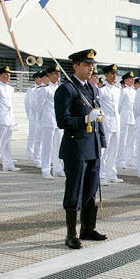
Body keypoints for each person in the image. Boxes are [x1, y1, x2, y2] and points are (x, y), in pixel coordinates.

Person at [54, 49, 106, 249]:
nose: (90, 68)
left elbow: (99, 118)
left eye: (91, 64)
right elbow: (62, 121)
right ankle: (70, 234)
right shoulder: (66, 89)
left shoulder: (92, 89)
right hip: (76, 148)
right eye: (86, 64)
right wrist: (85, 119)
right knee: (74, 191)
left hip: (92, 147)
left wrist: (101, 139)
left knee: (91, 190)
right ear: (75, 66)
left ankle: (88, 228)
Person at [0, 66, 18, 173]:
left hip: (9, 119)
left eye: (9, 74)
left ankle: (8, 164)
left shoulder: (10, 89)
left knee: (7, 143)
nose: (8, 76)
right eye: (5, 74)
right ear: (0, 76)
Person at [37, 65, 64, 179]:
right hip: (48, 120)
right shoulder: (45, 89)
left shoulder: (61, 89)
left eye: (58, 73)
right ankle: (46, 169)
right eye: (54, 73)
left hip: (59, 121)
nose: (57, 76)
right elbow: (40, 107)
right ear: (49, 75)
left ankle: (58, 168)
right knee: (47, 146)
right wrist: (42, 120)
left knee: (58, 146)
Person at [98, 64, 123, 185]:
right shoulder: (102, 90)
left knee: (114, 150)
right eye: (112, 74)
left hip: (116, 123)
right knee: (104, 150)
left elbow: (120, 107)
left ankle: (111, 173)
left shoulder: (118, 91)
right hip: (106, 123)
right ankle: (101, 175)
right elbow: (98, 107)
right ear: (106, 75)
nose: (114, 76)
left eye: (115, 74)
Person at [117, 71, 136, 169]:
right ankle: (120, 160)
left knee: (131, 141)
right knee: (122, 140)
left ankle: (129, 159)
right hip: (124, 117)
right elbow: (119, 106)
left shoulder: (134, 91)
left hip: (132, 118)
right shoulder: (123, 91)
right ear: (125, 80)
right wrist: (120, 116)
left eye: (133, 79)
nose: (132, 80)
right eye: (130, 79)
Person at [24, 72, 41, 163]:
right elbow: (28, 103)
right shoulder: (31, 89)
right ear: (35, 79)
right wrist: (30, 114)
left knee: (39, 136)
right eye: (39, 78)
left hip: (40, 116)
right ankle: (30, 152)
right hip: (33, 116)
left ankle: (38, 153)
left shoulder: (43, 88)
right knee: (32, 134)